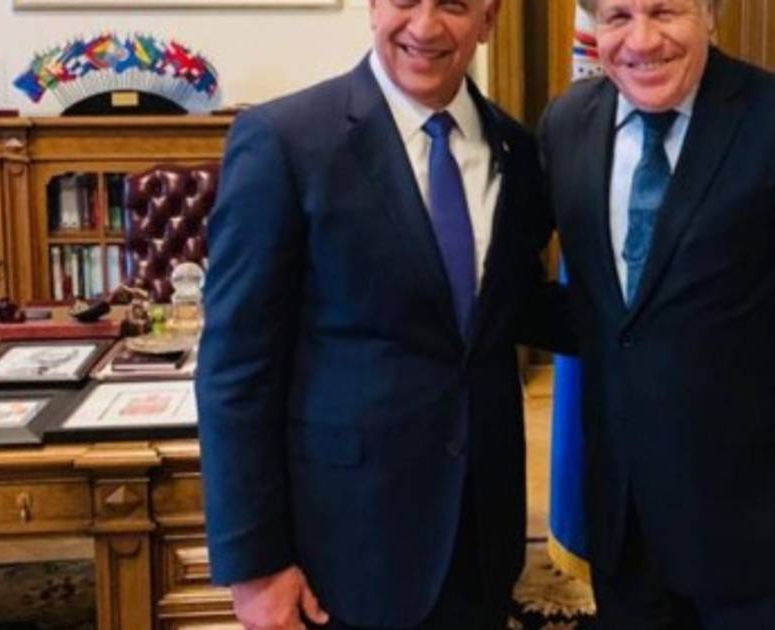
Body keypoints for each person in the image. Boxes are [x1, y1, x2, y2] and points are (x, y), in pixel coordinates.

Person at [196, 1, 568, 628]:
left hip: (481, 534)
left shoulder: (518, 150)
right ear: (373, 7)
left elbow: (513, 306)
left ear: (489, 20)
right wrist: (254, 564)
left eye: (453, 4)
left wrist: (662, 320)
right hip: (344, 549)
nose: (424, 26)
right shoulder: (285, 141)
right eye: (404, 1)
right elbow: (235, 366)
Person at [539, 0, 775, 628]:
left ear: (710, 14)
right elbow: (604, 318)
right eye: (618, 16)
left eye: (665, 11)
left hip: (768, 545)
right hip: (628, 534)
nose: (642, 40)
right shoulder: (566, 125)